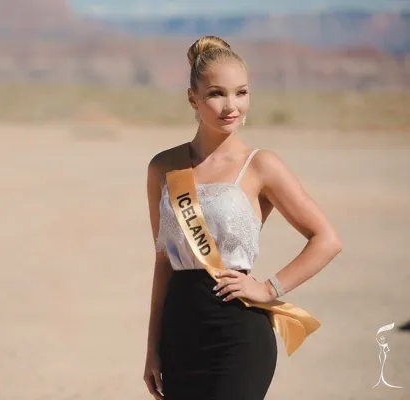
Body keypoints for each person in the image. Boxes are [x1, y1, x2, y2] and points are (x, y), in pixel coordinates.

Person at [143, 35, 343, 400]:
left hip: (238, 335)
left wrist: (269, 288)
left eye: (241, 93)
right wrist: (152, 347)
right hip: (179, 333)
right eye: (216, 94)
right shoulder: (163, 167)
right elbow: (163, 262)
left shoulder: (261, 165)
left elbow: (327, 240)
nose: (231, 106)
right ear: (192, 99)